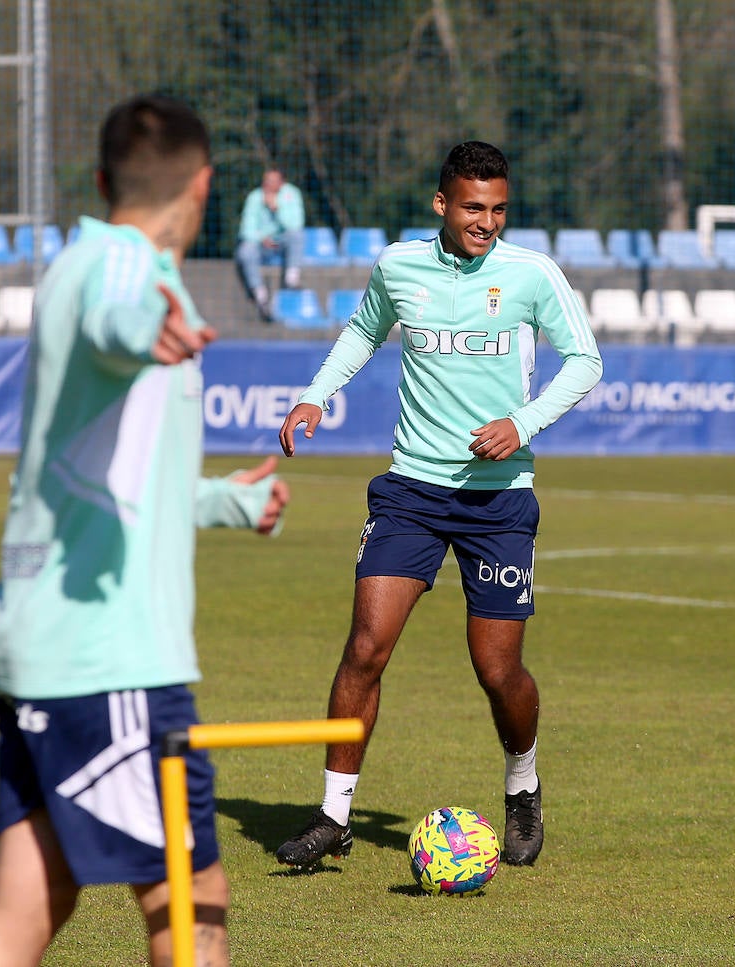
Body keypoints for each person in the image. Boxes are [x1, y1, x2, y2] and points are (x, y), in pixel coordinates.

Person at [0, 94, 288, 967]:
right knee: (191, 894)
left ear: (101, 180)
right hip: (112, 663)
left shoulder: (79, 263)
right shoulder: (128, 274)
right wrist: (144, 330)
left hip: (42, 646)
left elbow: (126, 471)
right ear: (206, 187)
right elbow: (117, 319)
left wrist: (226, 501)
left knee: (31, 899)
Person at [274, 140, 602, 870]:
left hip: (498, 502)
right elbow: (363, 331)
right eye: (473, 207)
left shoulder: (532, 275)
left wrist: (522, 423)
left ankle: (523, 783)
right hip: (412, 492)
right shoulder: (398, 266)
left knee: (497, 670)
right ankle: (333, 815)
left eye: (498, 209)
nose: (486, 222)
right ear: (442, 204)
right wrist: (313, 394)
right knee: (366, 645)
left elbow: (586, 361)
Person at [234, 167, 306, 319]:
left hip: (282, 241)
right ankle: (260, 294)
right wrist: (262, 238)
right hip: (261, 244)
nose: (268, 184)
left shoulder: (292, 194)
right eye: (266, 181)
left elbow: (295, 225)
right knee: (245, 250)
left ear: (281, 182)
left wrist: (275, 209)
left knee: (296, 236)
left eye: (273, 181)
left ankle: (292, 279)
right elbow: (246, 230)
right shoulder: (254, 197)